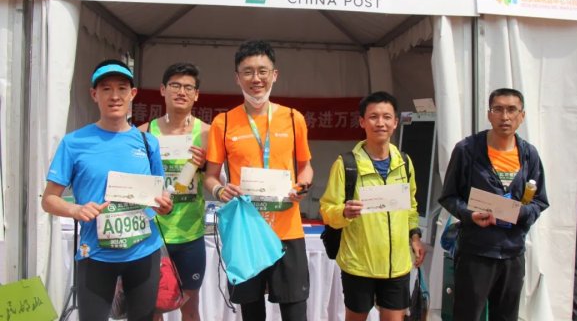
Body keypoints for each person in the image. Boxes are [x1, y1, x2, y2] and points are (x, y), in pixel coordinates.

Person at [41, 59, 173, 321]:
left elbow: (160, 192)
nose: (115, 96)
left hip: (144, 251)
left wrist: (165, 205)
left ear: (132, 94)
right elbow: (49, 200)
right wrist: (76, 209)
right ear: (94, 94)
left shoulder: (148, 143)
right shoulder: (74, 142)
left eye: (122, 88)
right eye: (106, 89)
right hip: (96, 254)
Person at [204, 40, 313, 321]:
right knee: (251, 313)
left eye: (263, 71)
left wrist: (302, 186)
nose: (256, 79)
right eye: (248, 71)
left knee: (295, 312)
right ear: (237, 77)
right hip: (246, 231)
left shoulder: (294, 118)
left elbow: (306, 168)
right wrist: (220, 190)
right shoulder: (223, 122)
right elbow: (210, 176)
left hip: (287, 229)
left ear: (274, 75)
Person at [438, 87, 549, 321]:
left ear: (522, 115)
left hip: (512, 253)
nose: (505, 116)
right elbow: (449, 196)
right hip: (475, 252)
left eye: (511, 110)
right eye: (498, 109)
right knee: (467, 315)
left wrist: (519, 212)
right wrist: (469, 214)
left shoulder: (529, 154)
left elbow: (540, 200)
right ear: (489, 114)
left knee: (507, 317)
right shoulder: (467, 150)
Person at [320, 91, 425, 321]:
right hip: (359, 264)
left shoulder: (405, 163)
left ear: (395, 122)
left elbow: (411, 206)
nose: (380, 123)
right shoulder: (346, 164)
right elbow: (327, 210)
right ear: (362, 122)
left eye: (387, 117)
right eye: (373, 117)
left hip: (397, 265)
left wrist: (415, 237)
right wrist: (343, 212)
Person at [139, 63, 209, 321]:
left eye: (188, 87)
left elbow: (218, 181)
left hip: (190, 235)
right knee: (153, 308)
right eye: (175, 86)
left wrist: (205, 166)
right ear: (162, 90)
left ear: (196, 95)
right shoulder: (144, 133)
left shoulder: (207, 133)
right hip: (153, 234)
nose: (181, 92)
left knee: (190, 308)